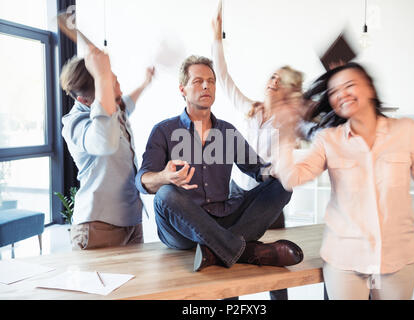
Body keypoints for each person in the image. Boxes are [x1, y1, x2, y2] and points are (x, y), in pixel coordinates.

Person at [272, 62, 414, 300]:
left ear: (370, 90)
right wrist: (285, 131)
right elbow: (291, 178)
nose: (341, 95)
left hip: (398, 259)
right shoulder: (328, 139)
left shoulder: (406, 130)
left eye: (349, 86)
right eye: (334, 92)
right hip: (344, 261)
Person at [135, 54, 303, 273]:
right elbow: (142, 181)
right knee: (165, 194)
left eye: (211, 81)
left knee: (283, 185)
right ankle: (245, 251)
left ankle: (215, 250)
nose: (206, 86)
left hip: (223, 219)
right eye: (198, 81)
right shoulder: (163, 131)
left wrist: (276, 171)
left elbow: (256, 169)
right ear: (182, 89)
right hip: (181, 230)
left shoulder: (228, 132)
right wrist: (163, 177)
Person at [210, 2, 305, 299]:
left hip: (268, 198)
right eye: (272, 76)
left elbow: (285, 166)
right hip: (238, 195)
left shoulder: (289, 124)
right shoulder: (250, 110)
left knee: (274, 263)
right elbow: (223, 79)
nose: (272, 81)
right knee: (230, 254)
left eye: (280, 80)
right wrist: (216, 38)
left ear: (289, 90)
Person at [60, 44, 155, 250]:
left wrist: (145, 83)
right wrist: (102, 77)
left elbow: (124, 104)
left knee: (136, 283)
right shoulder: (76, 124)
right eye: (109, 87)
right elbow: (105, 141)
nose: (119, 89)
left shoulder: (114, 110)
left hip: (131, 221)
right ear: (84, 100)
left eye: (116, 80)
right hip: (97, 228)